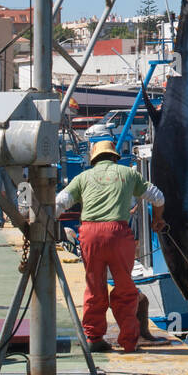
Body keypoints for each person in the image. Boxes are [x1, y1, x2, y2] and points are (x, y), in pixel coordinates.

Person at [55, 140, 166, 353]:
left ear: (94, 160)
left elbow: (60, 202)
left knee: (95, 287)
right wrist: (157, 220)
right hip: (118, 234)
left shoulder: (82, 178)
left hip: (90, 234)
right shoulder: (128, 174)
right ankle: (129, 342)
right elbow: (158, 198)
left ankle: (94, 338)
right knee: (124, 288)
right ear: (115, 156)